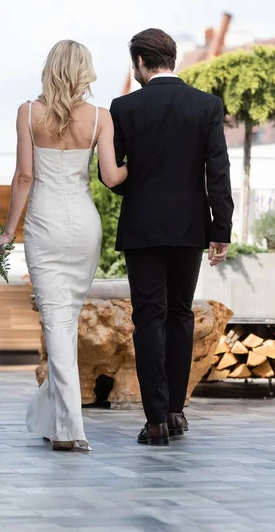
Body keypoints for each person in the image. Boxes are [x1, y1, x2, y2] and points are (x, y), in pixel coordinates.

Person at [0, 40, 128, 451]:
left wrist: (7, 233)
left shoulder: (29, 112)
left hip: (45, 226)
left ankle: (70, 430)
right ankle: (55, 418)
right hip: (85, 226)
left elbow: (24, 178)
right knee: (63, 322)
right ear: (83, 70)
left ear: (50, 68)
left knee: (57, 324)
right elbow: (112, 176)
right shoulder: (101, 117)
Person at [101, 28, 234, 446]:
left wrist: (140, 189)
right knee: (180, 315)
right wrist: (221, 228)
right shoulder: (206, 105)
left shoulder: (124, 106)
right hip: (191, 226)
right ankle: (176, 412)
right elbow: (218, 171)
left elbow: (114, 174)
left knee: (149, 319)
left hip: (142, 227)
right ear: (170, 59)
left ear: (140, 61)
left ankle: (155, 419)